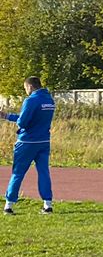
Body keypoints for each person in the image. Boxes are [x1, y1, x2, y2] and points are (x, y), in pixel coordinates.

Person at [4, 75, 54, 215]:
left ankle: (9, 205)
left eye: (25, 88)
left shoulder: (31, 100)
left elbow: (23, 122)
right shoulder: (49, 100)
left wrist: (12, 119)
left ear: (30, 86)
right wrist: (6, 116)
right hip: (44, 141)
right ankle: (47, 204)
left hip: (27, 142)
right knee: (43, 172)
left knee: (18, 173)